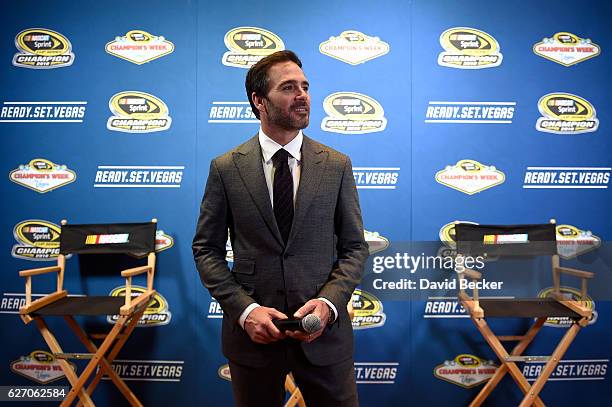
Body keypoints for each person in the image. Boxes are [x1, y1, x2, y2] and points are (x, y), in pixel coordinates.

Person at [193, 50, 368, 407]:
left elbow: (354, 248)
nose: (302, 95)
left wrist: (328, 304)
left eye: (305, 86)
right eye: (288, 87)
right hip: (253, 339)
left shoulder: (336, 165)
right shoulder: (226, 168)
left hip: (324, 338)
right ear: (259, 100)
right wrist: (245, 311)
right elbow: (206, 250)